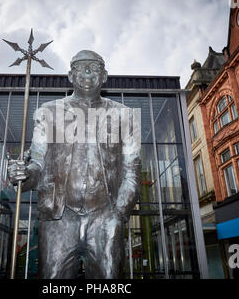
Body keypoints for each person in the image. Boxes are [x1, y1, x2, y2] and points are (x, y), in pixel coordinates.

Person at [8, 50, 141, 279]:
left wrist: (118, 214)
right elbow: (37, 165)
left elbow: (132, 172)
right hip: (59, 219)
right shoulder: (48, 112)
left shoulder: (125, 116)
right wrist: (23, 175)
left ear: (105, 75)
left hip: (105, 217)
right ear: (70, 75)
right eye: (81, 66)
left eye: (94, 67)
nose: (87, 71)